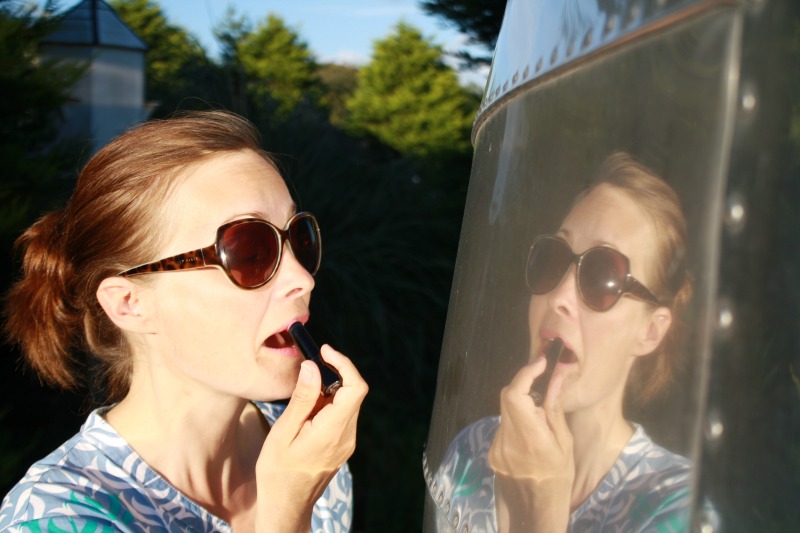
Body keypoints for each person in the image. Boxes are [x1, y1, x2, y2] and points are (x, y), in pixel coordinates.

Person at [0, 110, 368, 533]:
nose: (302, 278)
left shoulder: (309, 450)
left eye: (298, 238)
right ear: (129, 304)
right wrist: (286, 509)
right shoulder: (58, 516)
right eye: (250, 251)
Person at [427, 152, 693, 532]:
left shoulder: (676, 505)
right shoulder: (473, 452)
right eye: (553, 258)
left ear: (651, 330)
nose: (558, 297)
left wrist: (535, 518)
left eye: (603, 277)